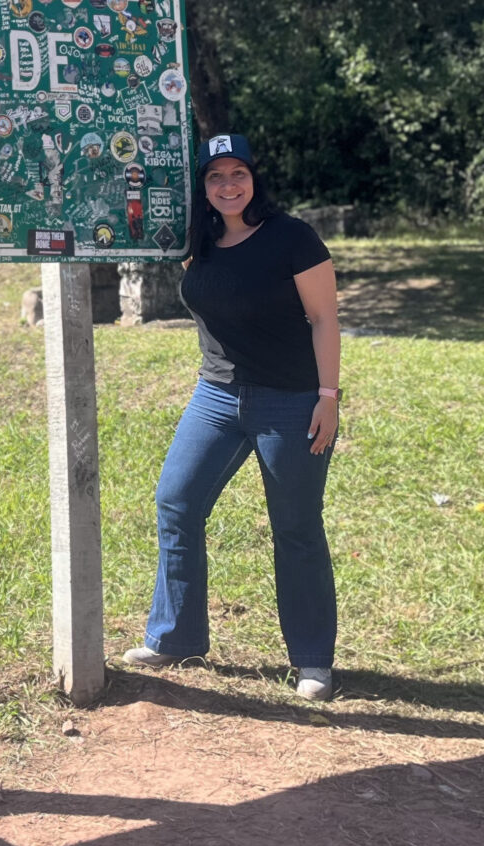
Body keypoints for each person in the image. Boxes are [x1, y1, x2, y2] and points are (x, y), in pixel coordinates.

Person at [122, 133, 344, 701]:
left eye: (237, 174)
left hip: (290, 400)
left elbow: (324, 319)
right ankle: (176, 637)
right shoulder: (200, 241)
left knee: (295, 527)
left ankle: (313, 660)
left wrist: (328, 397)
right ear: (203, 186)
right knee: (177, 500)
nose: (228, 185)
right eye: (215, 177)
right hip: (216, 397)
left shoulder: (292, 237)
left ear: (254, 178)